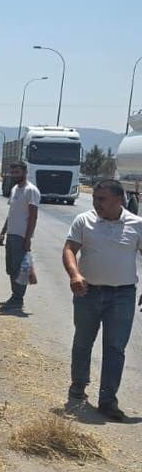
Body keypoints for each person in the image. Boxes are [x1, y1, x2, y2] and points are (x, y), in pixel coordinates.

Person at [62, 178, 142, 420]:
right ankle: (78, 387)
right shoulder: (84, 220)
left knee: (115, 348)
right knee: (83, 341)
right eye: (95, 198)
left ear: (119, 200)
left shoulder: (137, 224)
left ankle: (108, 400)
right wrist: (75, 274)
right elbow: (69, 249)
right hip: (88, 293)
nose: (96, 203)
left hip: (123, 295)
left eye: (102, 199)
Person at [0, 161, 40, 311]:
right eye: (13, 172)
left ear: (24, 172)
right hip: (11, 234)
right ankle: (14, 295)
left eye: (17, 172)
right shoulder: (15, 189)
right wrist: (3, 232)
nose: (14, 175)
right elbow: (11, 214)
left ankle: (18, 299)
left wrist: (27, 239)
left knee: (19, 268)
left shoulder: (31, 191)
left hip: (21, 236)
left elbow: (33, 217)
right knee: (11, 267)